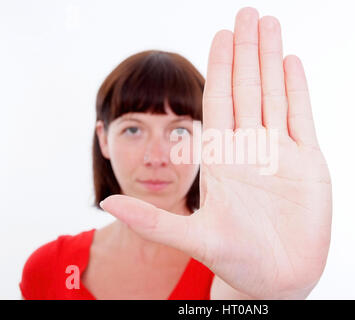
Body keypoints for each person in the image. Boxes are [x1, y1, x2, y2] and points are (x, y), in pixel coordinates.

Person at [20, 7, 332, 300]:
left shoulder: (235, 265)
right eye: (133, 129)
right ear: (103, 139)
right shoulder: (48, 268)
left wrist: (273, 294)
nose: (157, 157)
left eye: (179, 131)